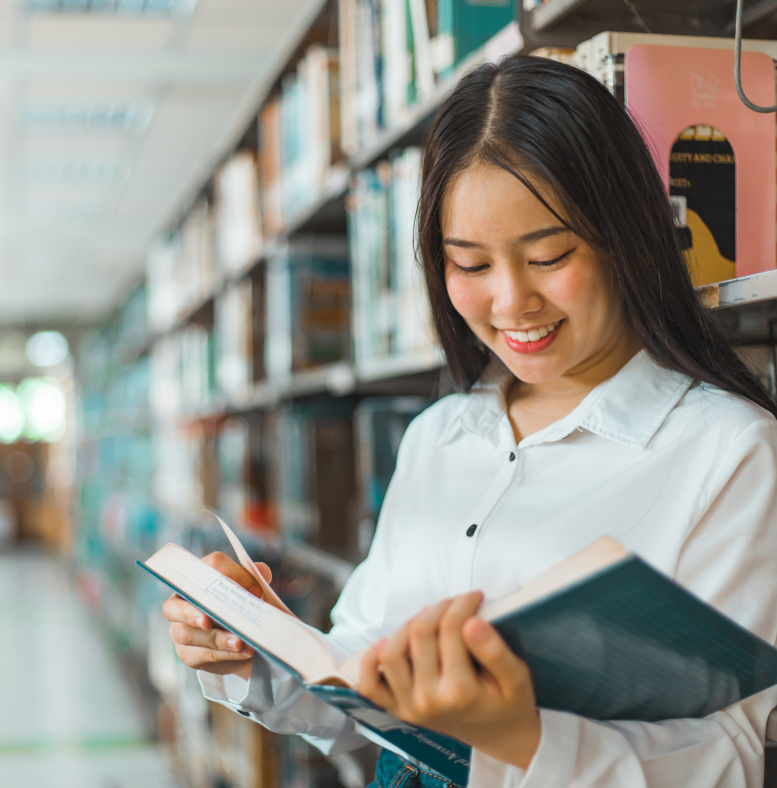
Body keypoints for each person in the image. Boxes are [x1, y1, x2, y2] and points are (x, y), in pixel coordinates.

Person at [162, 55, 777, 787]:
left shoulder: (729, 451)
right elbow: (364, 678)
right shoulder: (438, 437)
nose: (511, 302)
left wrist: (522, 737)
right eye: (472, 265)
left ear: (627, 236)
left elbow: (735, 755)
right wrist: (255, 646)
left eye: (549, 255)